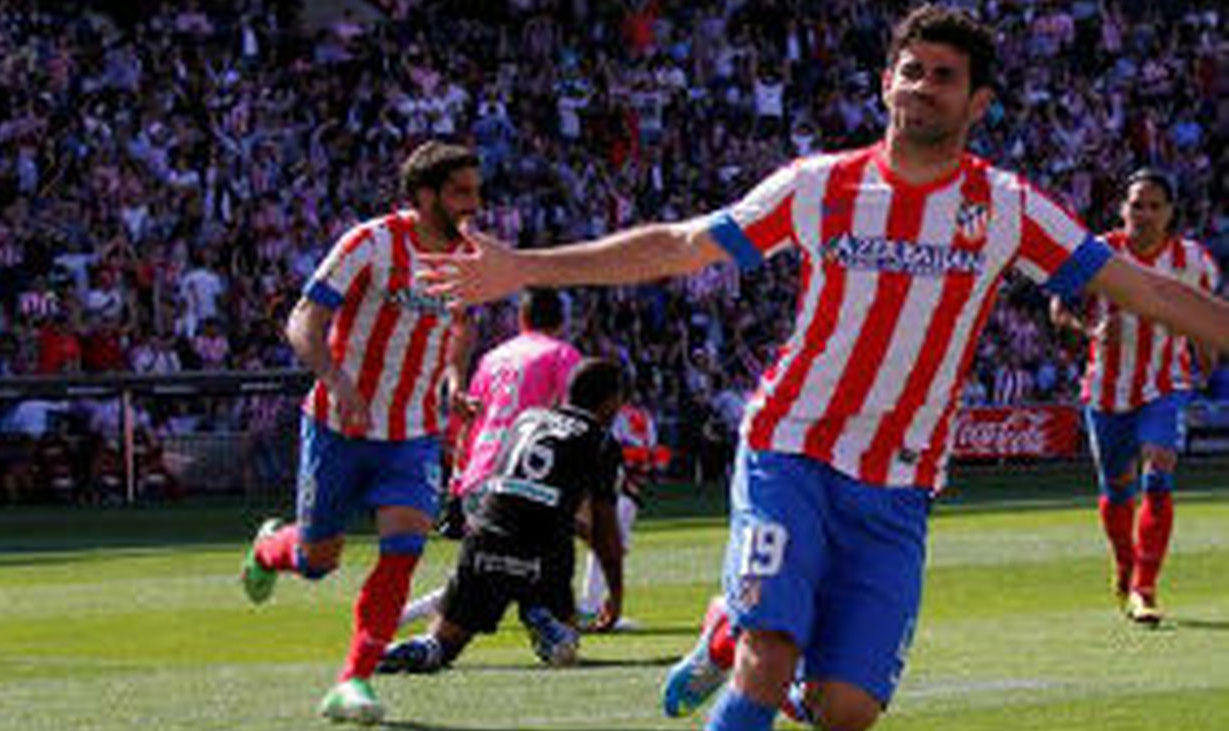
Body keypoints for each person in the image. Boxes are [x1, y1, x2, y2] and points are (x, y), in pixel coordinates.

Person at [417, 7, 1229, 731]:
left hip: (899, 481)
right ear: (884, 83)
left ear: (978, 102)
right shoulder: (821, 186)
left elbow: (1143, 288)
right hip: (792, 447)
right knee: (769, 660)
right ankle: (745, 635)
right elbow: (681, 245)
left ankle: (727, 626)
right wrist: (525, 266)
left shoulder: (1008, 208)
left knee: (846, 709)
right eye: (911, 70)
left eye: (945, 76)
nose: (923, 86)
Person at [238, 141, 480, 725]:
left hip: (413, 433)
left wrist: (453, 380)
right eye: (460, 192)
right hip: (338, 426)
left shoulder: (471, 256)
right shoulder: (370, 244)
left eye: (476, 191)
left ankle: (354, 682)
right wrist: (336, 380)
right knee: (317, 559)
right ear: (425, 196)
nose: (474, 204)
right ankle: (271, 549)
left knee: (404, 550)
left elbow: (462, 325)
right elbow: (304, 319)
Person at [378, 358, 627, 673]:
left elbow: (522, 493)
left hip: (485, 535)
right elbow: (605, 529)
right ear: (611, 400)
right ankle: (541, 616)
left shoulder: (527, 418)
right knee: (567, 647)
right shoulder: (601, 441)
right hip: (543, 550)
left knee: (442, 646)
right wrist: (615, 595)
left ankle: (399, 651)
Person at [1052, 169, 1221, 626]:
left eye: (1154, 206)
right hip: (1106, 390)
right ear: (1122, 209)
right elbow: (1059, 308)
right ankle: (1126, 565)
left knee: (1158, 471)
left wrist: (1206, 356)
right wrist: (1089, 329)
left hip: (1164, 385)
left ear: (1169, 213)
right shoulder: (1099, 254)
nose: (1144, 214)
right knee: (1116, 488)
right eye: (1136, 205)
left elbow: (1203, 315)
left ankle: (1145, 588)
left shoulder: (1193, 260)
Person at [399, 287, 582, 627]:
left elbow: (468, 422)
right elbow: (573, 418)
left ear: (521, 319)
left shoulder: (492, 358)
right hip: (526, 475)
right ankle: (554, 621)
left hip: (480, 472)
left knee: (499, 566)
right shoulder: (562, 355)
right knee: (512, 569)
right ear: (561, 322)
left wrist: (458, 480)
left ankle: (550, 617)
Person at [576, 396, 658, 630]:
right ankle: (590, 607)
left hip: (625, 485)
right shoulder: (622, 416)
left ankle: (594, 606)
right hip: (615, 485)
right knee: (607, 546)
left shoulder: (638, 416)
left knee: (612, 546)